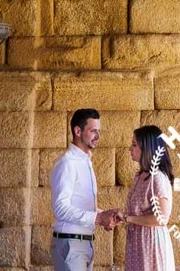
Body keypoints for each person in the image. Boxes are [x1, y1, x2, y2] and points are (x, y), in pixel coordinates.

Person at [49, 108, 120, 271]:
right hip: (72, 244)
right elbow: (60, 208)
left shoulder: (85, 161)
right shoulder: (68, 163)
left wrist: (105, 216)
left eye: (99, 131)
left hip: (84, 243)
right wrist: (98, 217)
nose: (98, 136)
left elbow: (80, 205)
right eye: (93, 131)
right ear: (78, 131)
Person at [118, 125, 176, 271]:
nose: (130, 149)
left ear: (147, 148)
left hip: (150, 245)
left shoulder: (157, 178)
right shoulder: (141, 177)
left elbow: (161, 218)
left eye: (134, 145)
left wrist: (128, 218)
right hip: (138, 244)